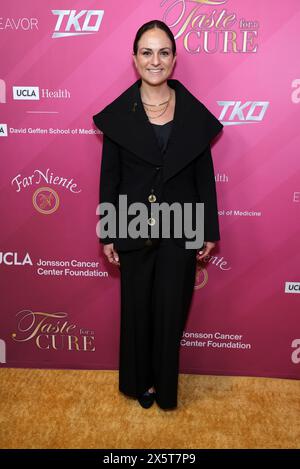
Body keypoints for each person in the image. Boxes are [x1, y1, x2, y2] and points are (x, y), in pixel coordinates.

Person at [93, 20, 223, 410]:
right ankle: (139, 383)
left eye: (163, 52)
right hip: (132, 224)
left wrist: (209, 228)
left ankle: (164, 387)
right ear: (135, 59)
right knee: (137, 310)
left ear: (174, 59)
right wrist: (108, 232)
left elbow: (205, 177)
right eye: (147, 52)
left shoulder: (195, 115)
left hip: (181, 226)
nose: (155, 60)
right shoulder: (119, 114)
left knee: (170, 310)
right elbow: (110, 177)